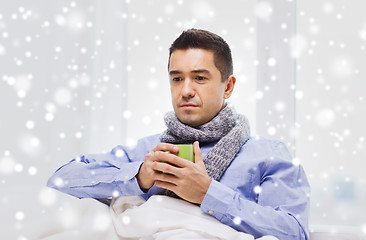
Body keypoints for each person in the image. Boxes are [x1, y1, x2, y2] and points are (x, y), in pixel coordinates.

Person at [47, 29, 310, 240]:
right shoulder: (148, 151)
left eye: (199, 78)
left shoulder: (268, 155)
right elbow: (62, 179)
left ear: (228, 86)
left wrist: (209, 194)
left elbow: (294, 232)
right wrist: (139, 176)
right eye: (176, 78)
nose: (185, 90)